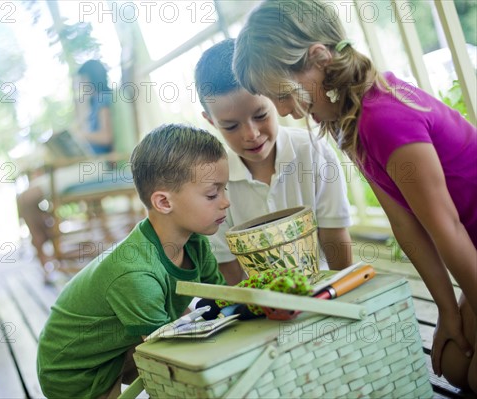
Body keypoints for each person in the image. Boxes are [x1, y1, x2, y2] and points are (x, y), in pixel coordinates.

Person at [232, 0, 477, 392]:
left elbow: (446, 228)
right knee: (453, 365)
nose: (283, 111)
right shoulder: (347, 120)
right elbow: (406, 225)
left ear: (318, 58)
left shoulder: (384, 118)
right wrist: (447, 310)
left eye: (281, 95)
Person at [36, 124, 229, 398]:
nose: (225, 202)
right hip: (75, 369)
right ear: (163, 202)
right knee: (181, 370)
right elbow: (169, 356)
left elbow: (222, 301)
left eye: (225, 190)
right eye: (212, 194)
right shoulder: (136, 273)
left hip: (118, 345)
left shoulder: (196, 243)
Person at [195, 38, 353, 285]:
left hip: (323, 288)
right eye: (231, 125)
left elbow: (336, 242)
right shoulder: (210, 185)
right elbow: (230, 273)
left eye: (260, 115)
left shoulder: (313, 152)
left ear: (275, 96)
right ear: (211, 121)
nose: (251, 134)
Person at [16, 59, 115, 275]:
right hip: (81, 165)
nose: (80, 86)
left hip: (97, 166)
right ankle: (47, 238)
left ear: (92, 79)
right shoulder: (88, 105)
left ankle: (44, 240)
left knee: (27, 197)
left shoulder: (102, 99)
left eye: (83, 81)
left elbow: (106, 137)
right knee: (24, 198)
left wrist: (80, 134)